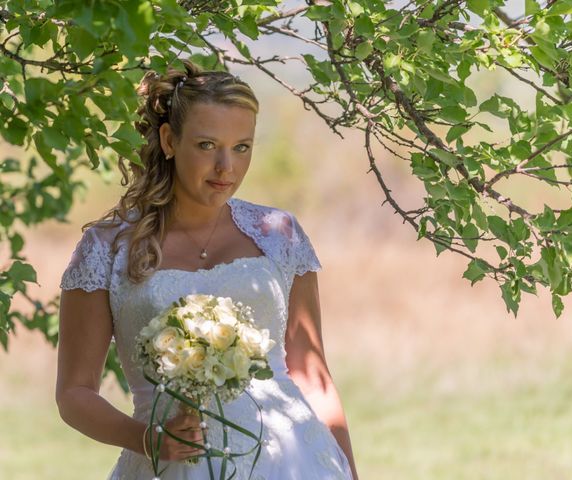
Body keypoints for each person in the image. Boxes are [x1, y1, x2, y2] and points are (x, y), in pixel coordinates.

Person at [56, 60, 358, 480]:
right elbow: (74, 393)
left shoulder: (278, 234)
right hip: (170, 466)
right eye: (206, 145)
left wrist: (348, 469)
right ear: (168, 140)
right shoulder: (106, 249)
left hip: (292, 460)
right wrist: (150, 439)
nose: (226, 168)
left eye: (241, 147)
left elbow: (312, 374)